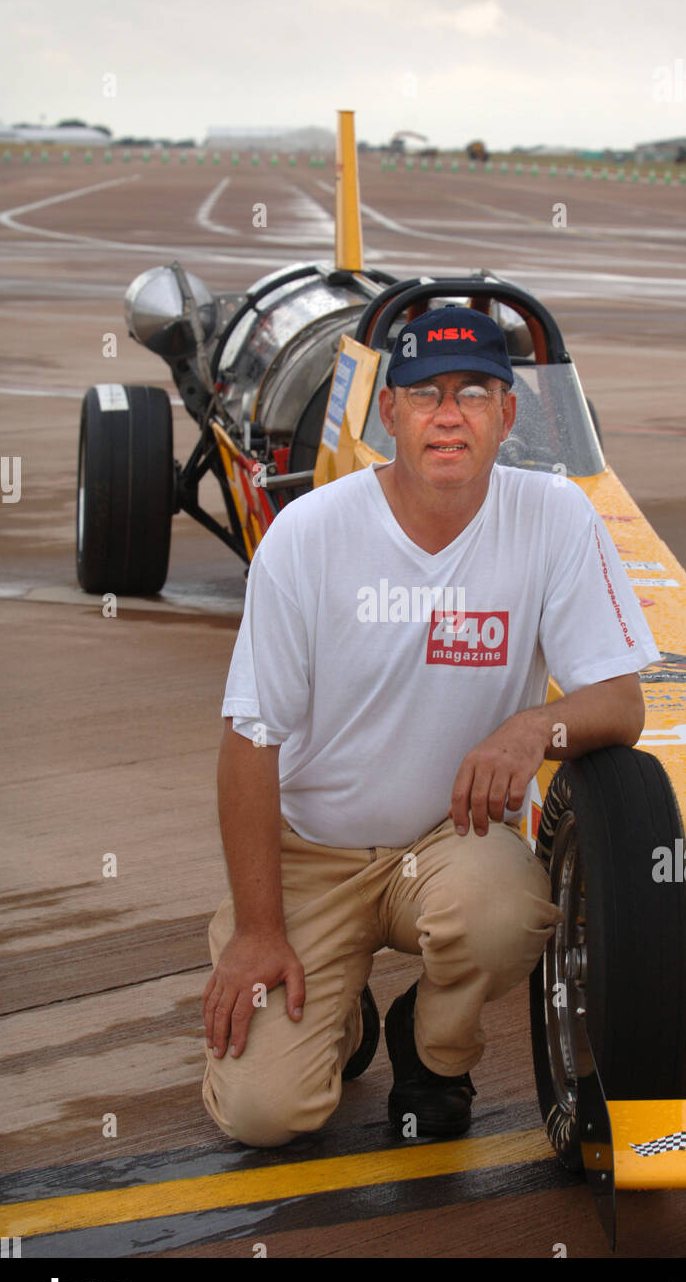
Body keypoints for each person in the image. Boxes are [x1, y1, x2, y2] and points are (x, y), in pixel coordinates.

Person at [201, 305, 659, 1147]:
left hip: (448, 843)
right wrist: (259, 931)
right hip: (311, 852)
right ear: (389, 415)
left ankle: (434, 1051)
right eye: (424, 395)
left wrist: (533, 728)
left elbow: (620, 704)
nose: (449, 415)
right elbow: (248, 740)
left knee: (501, 911)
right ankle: (336, 1022)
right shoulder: (308, 535)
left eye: (475, 393)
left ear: (507, 413)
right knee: (264, 1117)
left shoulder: (555, 516)